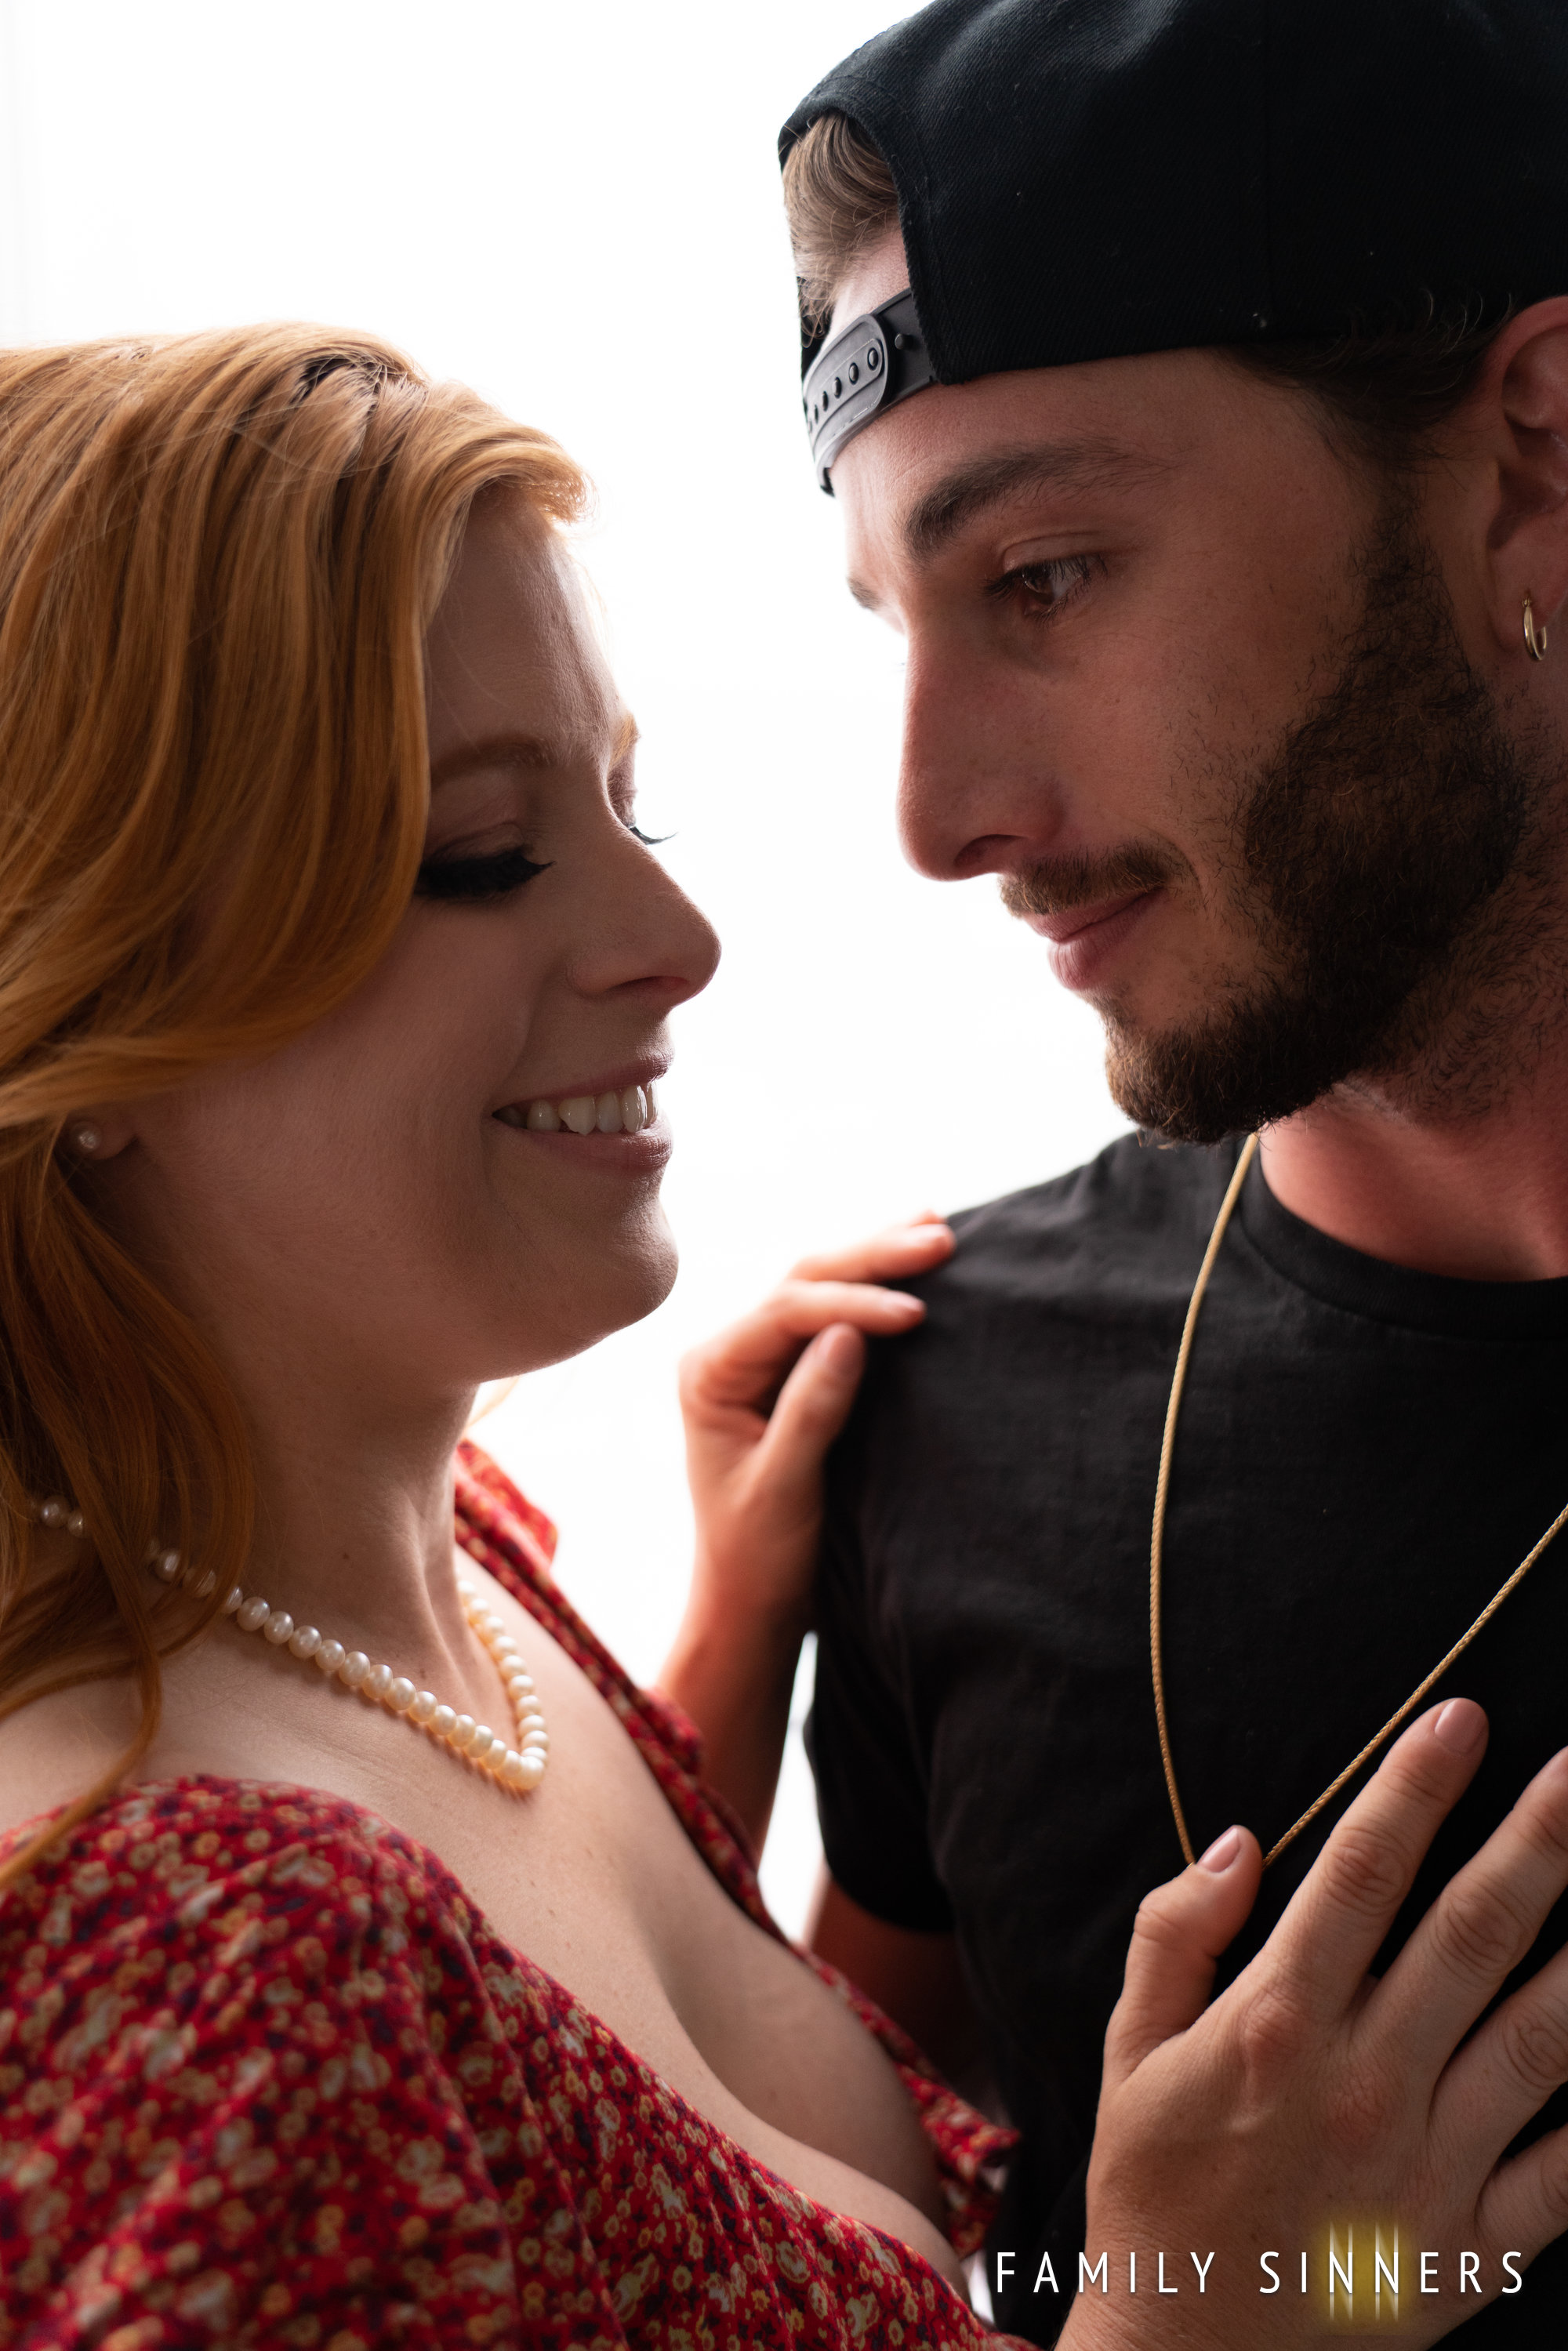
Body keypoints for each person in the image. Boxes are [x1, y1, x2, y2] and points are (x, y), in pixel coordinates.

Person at [2, 325, 1568, 2351]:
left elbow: (581, 2153)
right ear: (75, 1005)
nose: (681, 942)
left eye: (627, 802)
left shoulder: (464, 1593)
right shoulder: (203, 1969)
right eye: (480, 855)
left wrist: (724, 1671)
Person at [667, 0, 1568, 2341]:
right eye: (898, 623)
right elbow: (863, 2265)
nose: (933, 816)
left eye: (1047, 576)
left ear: (1535, 461)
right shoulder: (931, 1418)